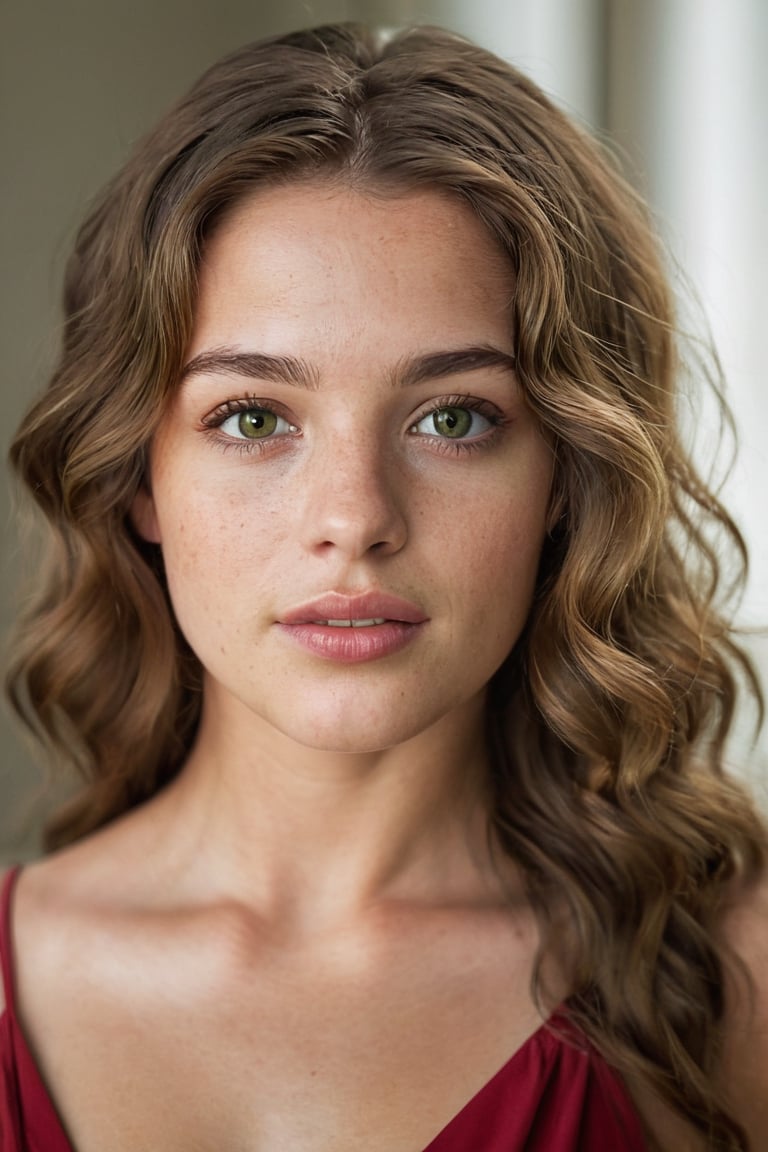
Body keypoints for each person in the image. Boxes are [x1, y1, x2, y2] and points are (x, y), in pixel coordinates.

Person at [2, 21, 766, 1152]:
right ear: (138, 478)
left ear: (566, 476)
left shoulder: (732, 984)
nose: (355, 518)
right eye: (253, 418)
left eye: (453, 419)